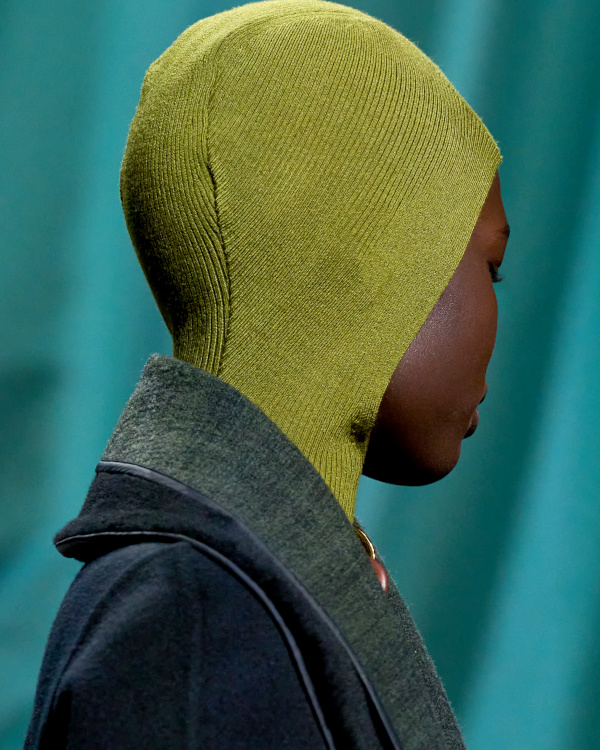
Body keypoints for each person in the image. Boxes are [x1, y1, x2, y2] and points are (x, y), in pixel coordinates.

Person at [24, 0, 509, 747]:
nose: (495, 311)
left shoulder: (217, 589)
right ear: (368, 261)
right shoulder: (192, 619)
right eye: (492, 267)